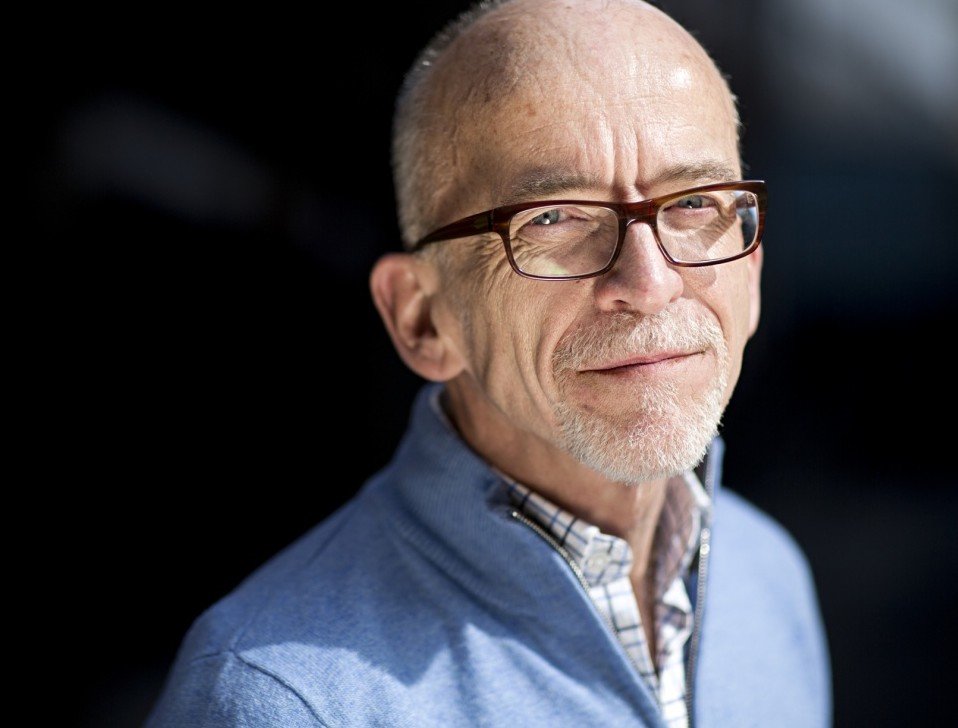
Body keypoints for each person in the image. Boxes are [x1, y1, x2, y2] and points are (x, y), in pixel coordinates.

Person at [146, 0, 831, 725]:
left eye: (695, 202)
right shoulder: (281, 697)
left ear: (752, 264)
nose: (650, 283)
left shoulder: (767, 576)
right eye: (555, 218)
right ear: (421, 319)